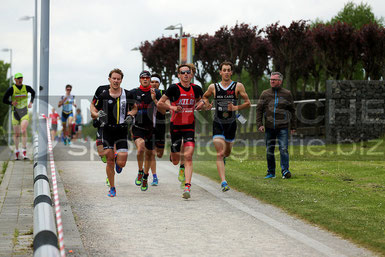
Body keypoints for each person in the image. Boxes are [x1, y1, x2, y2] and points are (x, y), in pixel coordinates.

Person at [201, 61, 251, 191]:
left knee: (227, 153)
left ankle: (225, 159)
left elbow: (248, 103)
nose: (227, 72)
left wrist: (236, 107)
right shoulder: (213, 87)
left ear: (231, 72)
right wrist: (206, 104)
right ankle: (223, 182)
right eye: (224, 70)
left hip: (231, 123)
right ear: (220, 72)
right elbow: (205, 97)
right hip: (218, 123)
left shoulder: (237, 86)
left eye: (229, 70)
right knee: (220, 152)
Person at [158, 64, 204, 199]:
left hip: (189, 126)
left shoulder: (196, 89)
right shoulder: (173, 88)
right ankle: (180, 165)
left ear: (191, 74)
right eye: (182, 72)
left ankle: (187, 186)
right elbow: (160, 103)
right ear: (178, 75)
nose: (185, 74)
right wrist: (172, 108)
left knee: (189, 155)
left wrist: (202, 104)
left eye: (187, 72)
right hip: (176, 126)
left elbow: (202, 102)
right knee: (175, 160)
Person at [91, 68, 137, 197]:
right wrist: (96, 114)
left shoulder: (127, 95)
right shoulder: (103, 95)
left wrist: (131, 115)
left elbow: (134, 108)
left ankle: (118, 160)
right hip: (107, 129)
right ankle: (112, 187)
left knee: (121, 162)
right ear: (109, 79)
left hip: (121, 130)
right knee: (109, 159)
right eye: (114, 78)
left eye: (118, 79)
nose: (116, 81)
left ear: (121, 80)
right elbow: (94, 107)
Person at [256, 71, 296, 179]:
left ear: (280, 81)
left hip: (283, 127)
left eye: (274, 80)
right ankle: (271, 172)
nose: (272, 81)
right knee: (270, 150)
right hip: (269, 127)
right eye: (271, 79)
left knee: (283, 149)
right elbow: (259, 109)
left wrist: (293, 126)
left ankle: (285, 171)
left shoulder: (287, 94)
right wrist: (259, 124)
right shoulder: (265, 94)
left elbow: (292, 110)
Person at [131, 71, 163, 191]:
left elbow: (162, 109)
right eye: (142, 78)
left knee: (150, 154)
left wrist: (155, 99)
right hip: (138, 127)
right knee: (140, 149)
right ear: (140, 80)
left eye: (147, 78)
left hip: (152, 128)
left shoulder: (157, 92)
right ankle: (140, 171)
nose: (145, 79)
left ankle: (145, 176)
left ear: (150, 80)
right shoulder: (133, 92)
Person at [2, 73, 36, 160]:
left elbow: (33, 92)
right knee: (17, 134)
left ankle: (24, 151)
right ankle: (17, 151)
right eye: (18, 78)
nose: (20, 80)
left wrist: (31, 102)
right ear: (15, 80)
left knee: (23, 130)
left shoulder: (26, 88)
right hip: (15, 113)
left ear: (22, 79)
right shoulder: (11, 89)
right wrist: (11, 103)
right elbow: (4, 100)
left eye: (21, 78)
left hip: (24, 111)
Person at [149, 73, 166, 186]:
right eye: (152, 81)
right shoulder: (145, 94)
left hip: (160, 126)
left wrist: (155, 100)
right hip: (148, 127)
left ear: (159, 84)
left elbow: (163, 111)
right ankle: (154, 176)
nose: (154, 84)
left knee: (159, 154)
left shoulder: (163, 94)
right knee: (151, 153)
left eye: (156, 82)